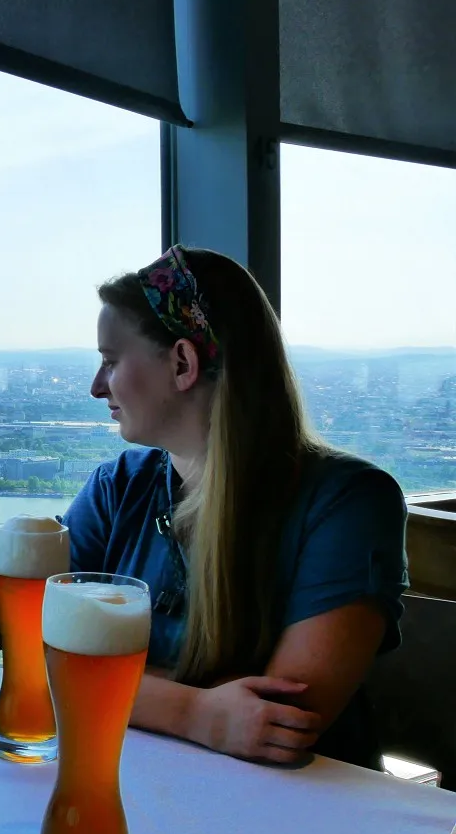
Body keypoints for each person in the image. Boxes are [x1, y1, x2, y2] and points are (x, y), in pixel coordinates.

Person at [64, 245, 407, 768]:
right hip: (144, 779)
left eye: (110, 361)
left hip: (302, 808)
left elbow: (281, 721)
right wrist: (199, 712)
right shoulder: (117, 488)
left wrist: (110, 680)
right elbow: (45, 657)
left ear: (183, 363)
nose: (96, 387)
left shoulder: (350, 503)